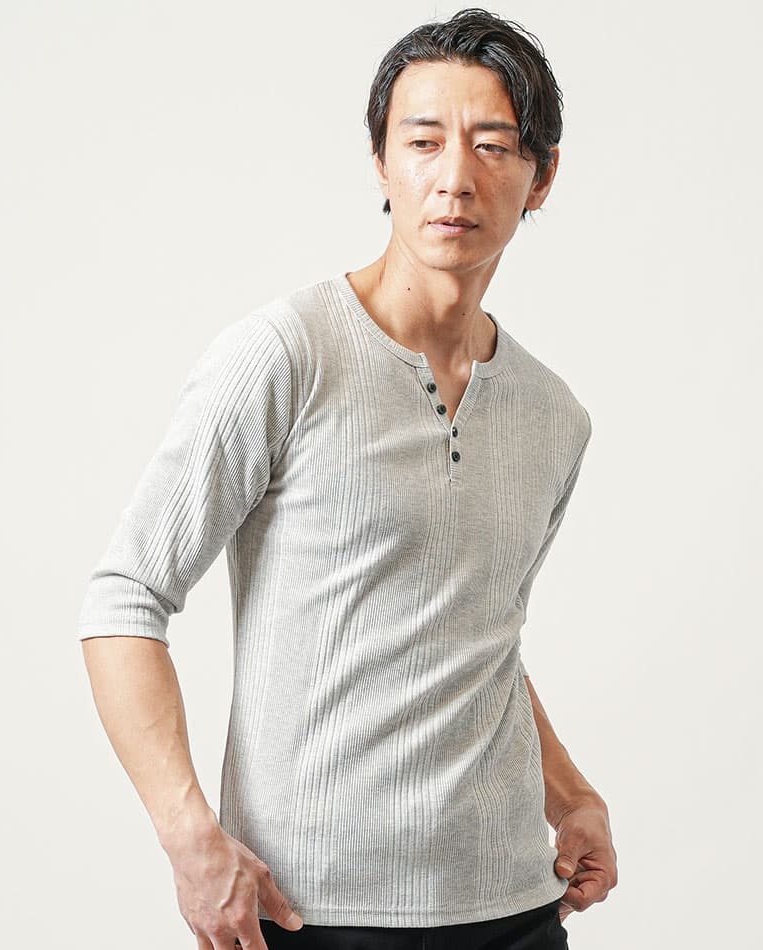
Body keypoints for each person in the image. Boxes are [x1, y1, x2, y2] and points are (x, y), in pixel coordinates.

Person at [78, 8, 618, 949]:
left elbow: (474, 633)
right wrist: (190, 839)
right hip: (310, 910)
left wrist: (569, 794)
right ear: (381, 162)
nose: (455, 177)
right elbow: (124, 600)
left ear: (543, 175)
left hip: (514, 908)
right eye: (424, 141)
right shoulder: (286, 356)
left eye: (494, 145)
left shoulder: (552, 413)